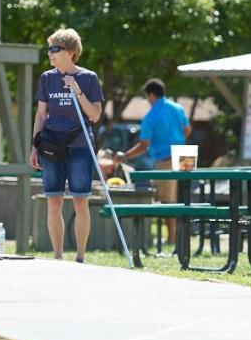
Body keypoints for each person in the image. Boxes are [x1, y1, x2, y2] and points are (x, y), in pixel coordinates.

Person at [28, 28, 104, 262]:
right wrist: (34, 147)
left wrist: (77, 90)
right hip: (51, 144)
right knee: (53, 199)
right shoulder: (47, 78)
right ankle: (58, 255)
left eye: (55, 49)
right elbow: (41, 115)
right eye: (49, 49)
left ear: (70, 52)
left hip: (80, 146)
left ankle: (80, 256)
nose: (50, 53)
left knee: (81, 200)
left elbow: (95, 115)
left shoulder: (88, 78)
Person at [117, 78, 191, 242]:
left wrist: (124, 156)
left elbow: (143, 146)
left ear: (150, 95)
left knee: (166, 199)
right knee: (183, 196)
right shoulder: (178, 108)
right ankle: (182, 234)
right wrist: (178, 141)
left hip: (166, 157)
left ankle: (172, 238)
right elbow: (187, 130)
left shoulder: (150, 116)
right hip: (185, 155)